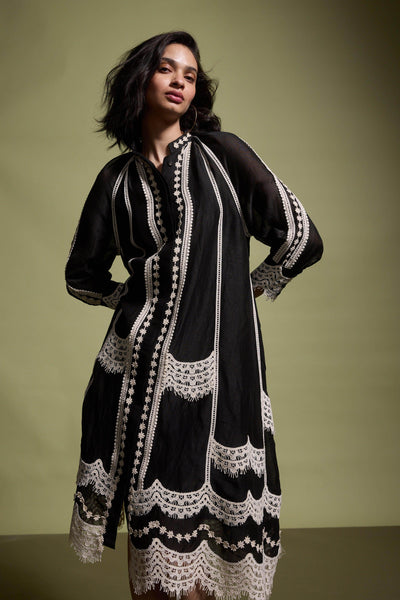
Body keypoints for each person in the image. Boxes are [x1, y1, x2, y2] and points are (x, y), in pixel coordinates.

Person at [66, 31, 323, 600]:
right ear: (141, 80)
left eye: (190, 73)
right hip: (138, 371)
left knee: (214, 525)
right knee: (150, 533)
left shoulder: (222, 154)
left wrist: (245, 290)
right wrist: (131, 299)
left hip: (218, 367)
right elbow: (81, 275)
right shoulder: (115, 181)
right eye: (167, 68)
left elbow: (301, 237)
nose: (180, 80)